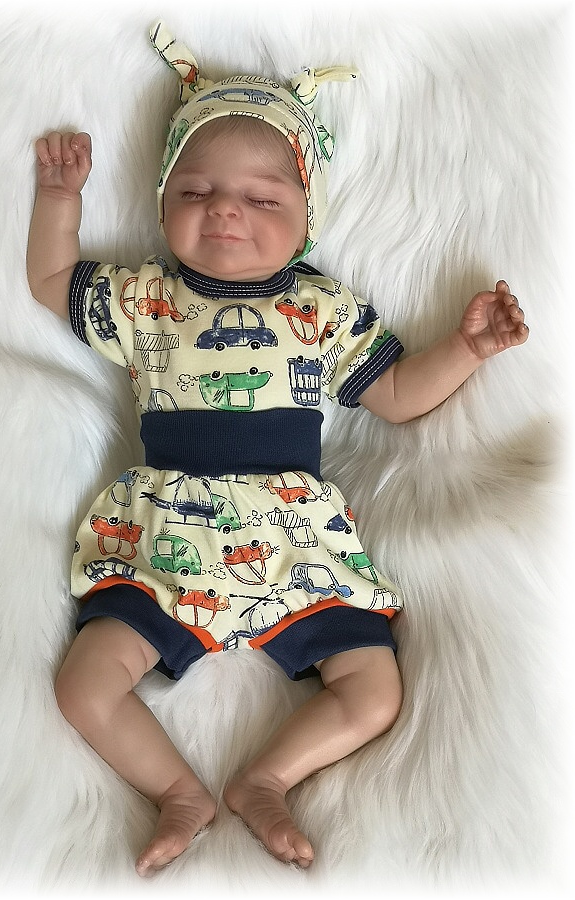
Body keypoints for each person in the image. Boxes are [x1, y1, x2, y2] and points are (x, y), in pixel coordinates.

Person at [26, 21, 528, 877]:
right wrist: (59, 199)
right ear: (162, 204)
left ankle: (267, 778)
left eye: (262, 200)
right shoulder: (145, 296)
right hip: (167, 530)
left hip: (292, 534)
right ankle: (178, 791)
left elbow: (397, 396)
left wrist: (466, 349)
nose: (225, 209)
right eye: (195, 191)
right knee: (82, 684)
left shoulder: (323, 310)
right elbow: (50, 281)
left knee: (373, 691)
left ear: (304, 224)